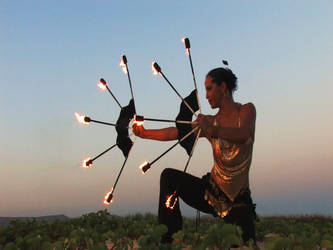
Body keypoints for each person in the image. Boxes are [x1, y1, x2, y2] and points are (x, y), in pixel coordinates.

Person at [132, 67, 257, 245]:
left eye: (209, 88)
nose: (206, 95)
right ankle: (170, 241)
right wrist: (145, 133)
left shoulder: (246, 110)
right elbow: (177, 132)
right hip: (211, 191)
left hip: (237, 200)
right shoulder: (209, 121)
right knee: (169, 177)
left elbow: (243, 134)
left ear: (223, 87)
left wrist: (212, 129)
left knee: (244, 243)